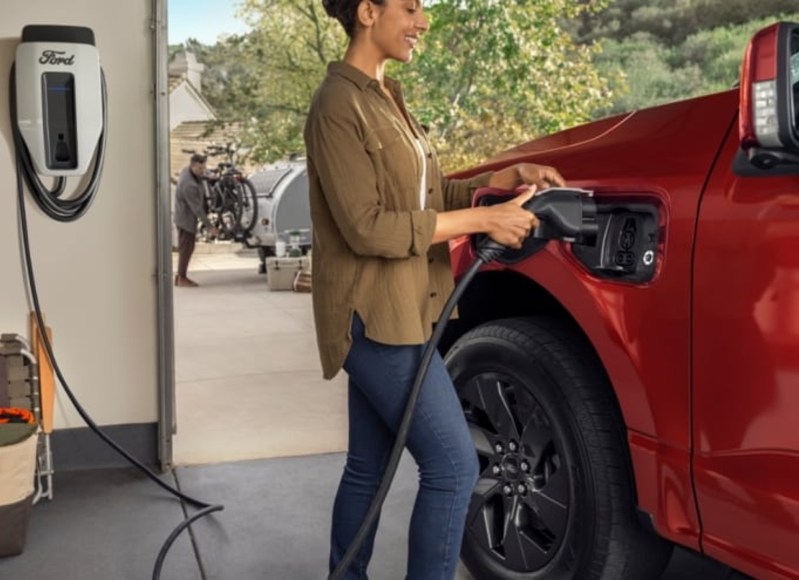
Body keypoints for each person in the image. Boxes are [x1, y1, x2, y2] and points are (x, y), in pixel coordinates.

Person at [304, 1, 566, 578]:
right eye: (411, 7)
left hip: (409, 311)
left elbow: (425, 200)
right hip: (373, 317)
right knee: (452, 467)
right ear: (368, 12)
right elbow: (368, 226)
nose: (423, 22)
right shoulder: (336, 106)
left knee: (367, 469)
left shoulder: (387, 98)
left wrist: (501, 181)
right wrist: (483, 223)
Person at [173, 153, 218, 287]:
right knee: (186, 249)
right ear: (192, 166)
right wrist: (210, 227)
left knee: (187, 248)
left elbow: (202, 176)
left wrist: (209, 175)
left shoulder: (188, 171)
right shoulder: (189, 185)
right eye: (199, 168)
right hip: (185, 219)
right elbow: (197, 209)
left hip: (185, 216)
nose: (202, 171)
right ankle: (182, 278)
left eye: (203, 168)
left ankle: (180, 277)